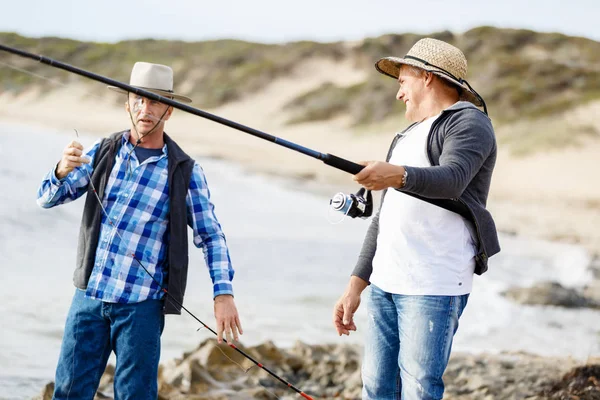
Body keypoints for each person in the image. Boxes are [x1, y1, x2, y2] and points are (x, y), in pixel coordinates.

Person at [37, 62, 243, 399]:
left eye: (156, 101)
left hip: (141, 307)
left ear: (169, 110)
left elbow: (211, 236)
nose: (145, 109)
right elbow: (46, 199)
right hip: (89, 299)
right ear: (127, 103)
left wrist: (223, 294)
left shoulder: (185, 171)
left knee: (135, 395)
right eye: (138, 99)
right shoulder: (101, 152)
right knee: (69, 391)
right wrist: (61, 170)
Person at [332, 38, 501, 399]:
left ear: (427, 77)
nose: (399, 94)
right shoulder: (406, 135)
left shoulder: (469, 123)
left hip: (433, 282)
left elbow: (452, 179)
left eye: (402, 82)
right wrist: (356, 284)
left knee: (420, 390)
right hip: (386, 283)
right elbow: (384, 217)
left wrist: (393, 175)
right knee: (376, 387)